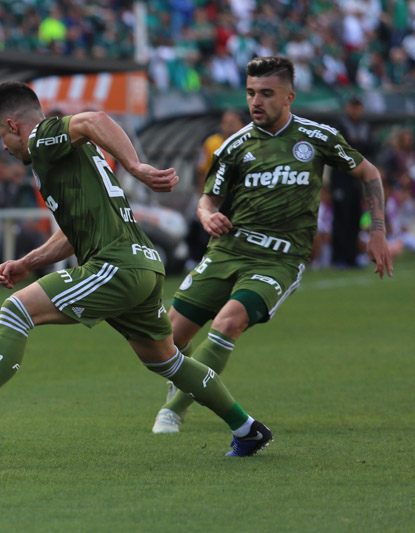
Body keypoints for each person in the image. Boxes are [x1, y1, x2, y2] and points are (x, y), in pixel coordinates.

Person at [0, 81, 274, 457]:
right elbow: (72, 233)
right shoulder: (59, 159)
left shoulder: (42, 138)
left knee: (17, 310)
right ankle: (247, 428)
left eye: (0, 133)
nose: (2, 145)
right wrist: (26, 262)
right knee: (167, 360)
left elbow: (93, 119)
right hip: (143, 265)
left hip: (116, 264)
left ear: (14, 125)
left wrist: (136, 167)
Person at [151, 56, 393, 434]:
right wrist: (206, 215)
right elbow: (207, 199)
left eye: (266, 93)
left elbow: (369, 172)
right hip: (228, 250)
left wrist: (377, 230)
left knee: (227, 322)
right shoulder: (233, 147)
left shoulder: (317, 137)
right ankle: (186, 378)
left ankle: (172, 411)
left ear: (289, 97)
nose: (255, 102)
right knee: (165, 340)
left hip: (279, 258)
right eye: (250, 93)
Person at [187, 110, 244, 267]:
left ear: (242, 124)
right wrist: (202, 193)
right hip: (217, 193)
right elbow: (202, 169)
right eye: (226, 122)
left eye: (233, 122)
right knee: (210, 226)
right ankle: (206, 259)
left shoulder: (248, 142)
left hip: (239, 194)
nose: (229, 126)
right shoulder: (212, 143)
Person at [331, 96, 375, 268]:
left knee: (355, 216)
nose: (355, 110)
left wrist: (356, 145)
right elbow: (342, 148)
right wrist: (358, 146)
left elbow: (371, 146)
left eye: (358, 107)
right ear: (347, 107)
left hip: (358, 178)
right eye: (353, 106)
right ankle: (339, 257)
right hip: (341, 178)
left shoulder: (364, 126)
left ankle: (352, 256)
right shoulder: (339, 126)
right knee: (341, 217)